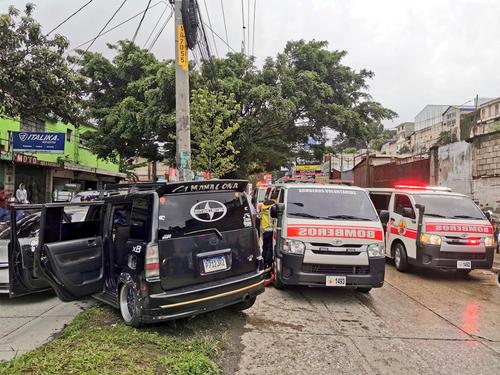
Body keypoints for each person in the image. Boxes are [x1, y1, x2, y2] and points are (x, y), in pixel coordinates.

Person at [260, 197, 275, 269]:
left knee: (265, 247)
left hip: (264, 230)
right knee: (269, 248)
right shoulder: (271, 208)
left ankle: (264, 262)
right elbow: (274, 219)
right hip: (270, 230)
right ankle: (268, 263)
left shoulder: (263, 207)